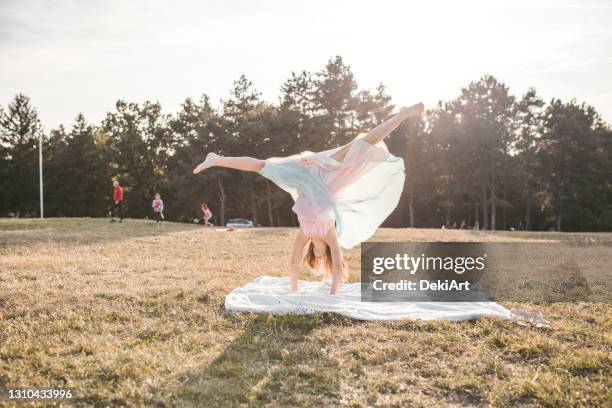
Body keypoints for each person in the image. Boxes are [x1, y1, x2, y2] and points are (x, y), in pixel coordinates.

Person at [193, 103, 424, 294]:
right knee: (363, 145)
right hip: (328, 180)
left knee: (262, 166)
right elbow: (337, 268)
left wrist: (293, 290)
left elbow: (294, 264)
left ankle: (216, 159)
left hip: (309, 177)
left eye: (316, 256)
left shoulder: (306, 234)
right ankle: (215, 159)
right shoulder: (329, 234)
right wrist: (334, 294)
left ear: (313, 252)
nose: (320, 256)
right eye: (321, 257)